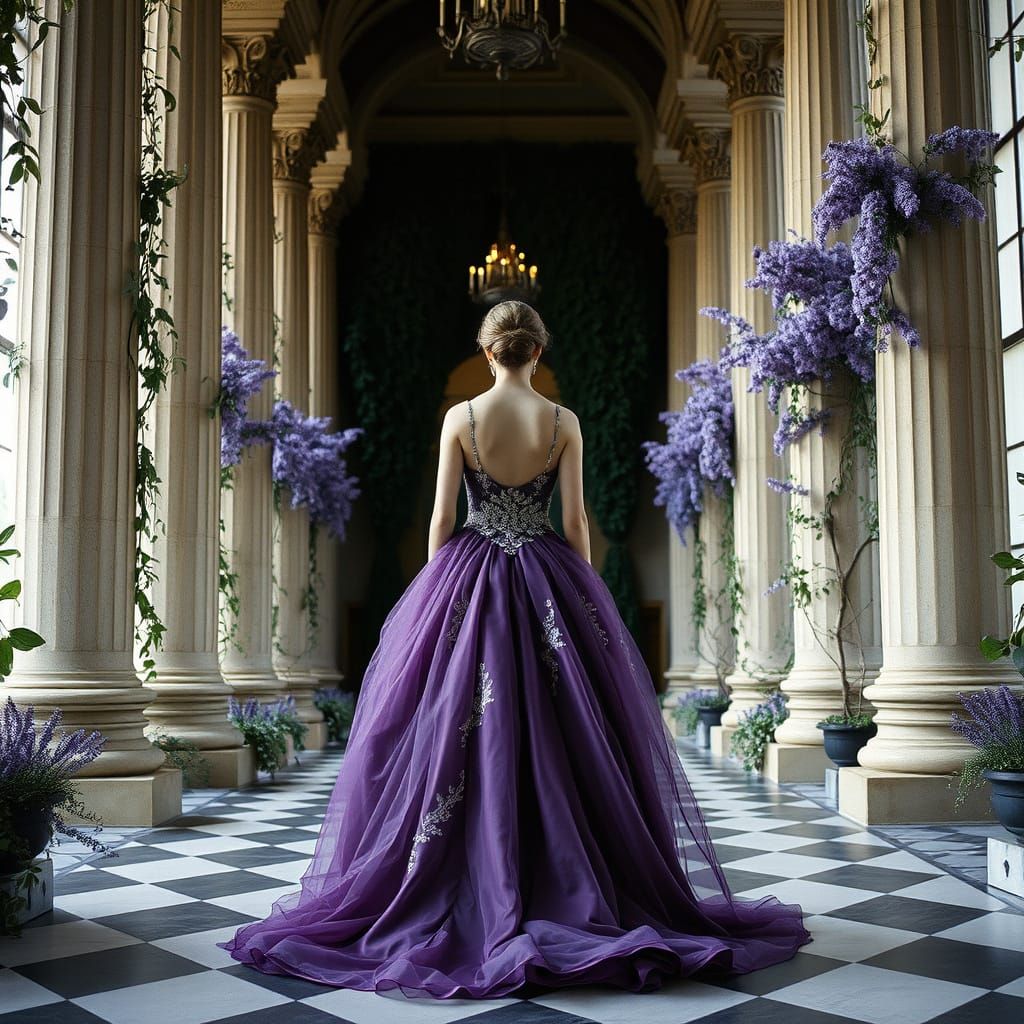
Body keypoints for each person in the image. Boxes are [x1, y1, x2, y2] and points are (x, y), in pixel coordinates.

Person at [220, 300, 812, 998]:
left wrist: (437, 598)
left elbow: (443, 519)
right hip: (545, 576)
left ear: (487, 349)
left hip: (469, 576)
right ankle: (564, 875)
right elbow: (575, 520)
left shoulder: (461, 418)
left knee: (455, 727)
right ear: (538, 351)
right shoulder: (563, 421)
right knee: (566, 727)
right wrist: (584, 598)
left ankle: (462, 878)